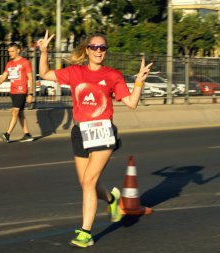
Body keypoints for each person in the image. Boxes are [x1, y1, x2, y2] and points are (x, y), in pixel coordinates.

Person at [37, 31, 152, 248]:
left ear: (105, 51)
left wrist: (138, 83)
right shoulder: (74, 72)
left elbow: (131, 103)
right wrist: (43, 52)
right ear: (88, 50)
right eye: (95, 47)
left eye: (103, 48)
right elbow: (44, 74)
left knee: (89, 182)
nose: (99, 51)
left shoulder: (113, 75)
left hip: (103, 132)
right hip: (80, 132)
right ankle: (112, 200)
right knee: (86, 183)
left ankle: (86, 233)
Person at [0, 43, 34, 143]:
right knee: (20, 113)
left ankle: (7, 134)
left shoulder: (25, 62)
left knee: (14, 112)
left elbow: (30, 79)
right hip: (13, 91)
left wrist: (30, 94)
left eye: (12, 51)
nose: (10, 53)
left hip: (21, 91)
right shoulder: (9, 64)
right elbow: (3, 77)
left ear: (18, 50)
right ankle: (27, 134)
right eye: (9, 51)